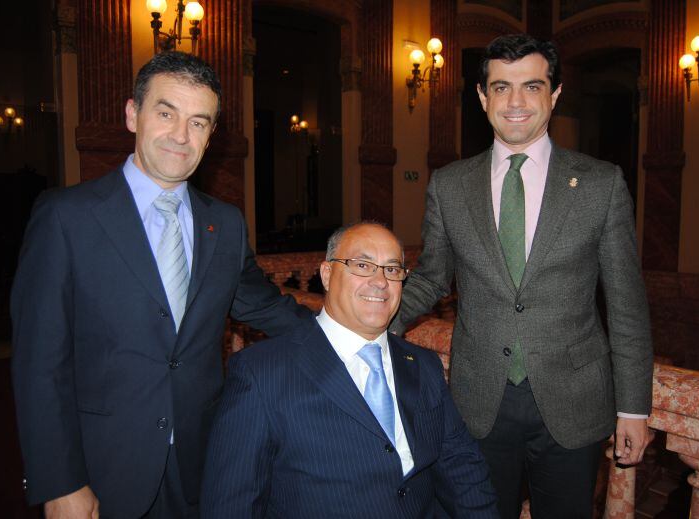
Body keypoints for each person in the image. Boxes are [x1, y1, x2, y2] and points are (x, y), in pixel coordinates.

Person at [10, 51, 311, 518]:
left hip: (199, 461)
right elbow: (38, 363)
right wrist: (61, 481)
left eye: (198, 122)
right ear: (133, 114)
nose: (180, 136)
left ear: (212, 136)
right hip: (102, 467)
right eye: (166, 113)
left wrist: (350, 333)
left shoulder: (225, 224)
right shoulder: (65, 217)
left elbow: (267, 307)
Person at [390, 34, 653, 519]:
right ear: (481, 97)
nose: (516, 102)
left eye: (531, 87)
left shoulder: (600, 183)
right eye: (501, 87)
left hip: (574, 403)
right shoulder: (449, 185)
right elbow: (430, 279)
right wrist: (370, 327)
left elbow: (626, 304)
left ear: (554, 95)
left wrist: (633, 407)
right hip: (478, 401)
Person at [201, 222, 499, 518]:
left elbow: (463, 468)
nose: (380, 281)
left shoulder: (423, 364)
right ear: (327, 274)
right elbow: (232, 504)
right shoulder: (261, 373)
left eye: (392, 269)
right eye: (362, 265)